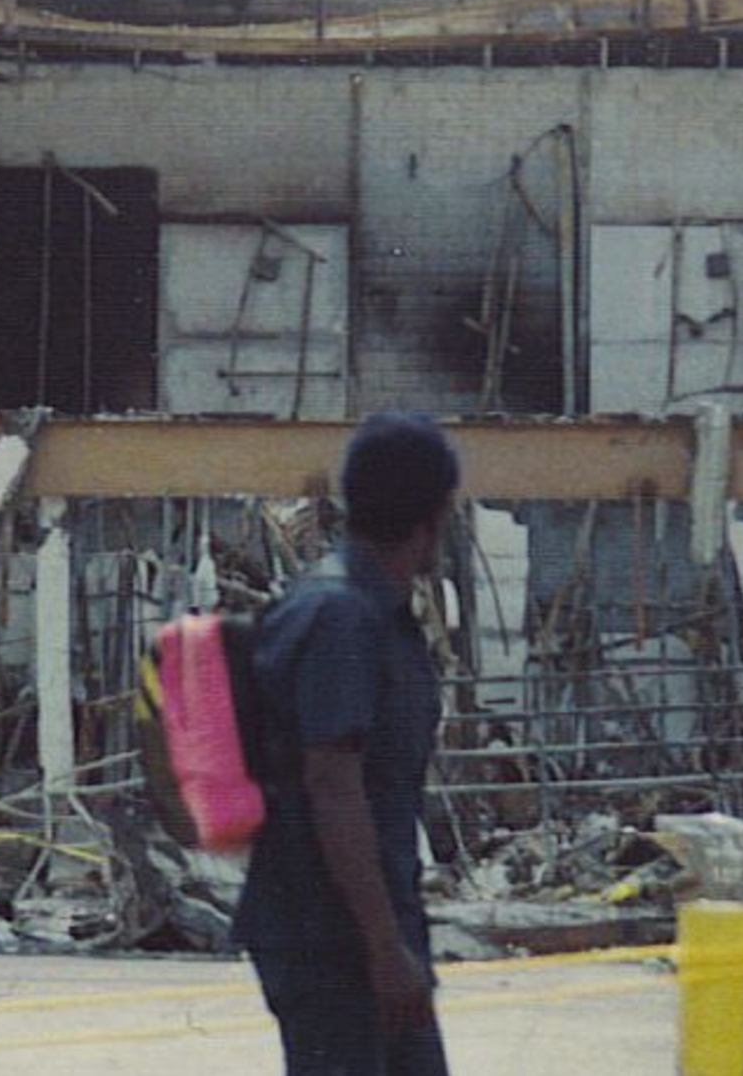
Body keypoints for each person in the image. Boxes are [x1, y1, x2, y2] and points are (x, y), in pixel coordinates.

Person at [233, 411, 461, 1076]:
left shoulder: (362, 609)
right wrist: (383, 948)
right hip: (334, 943)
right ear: (436, 513)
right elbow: (332, 785)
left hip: (361, 927)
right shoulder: (342, 616)